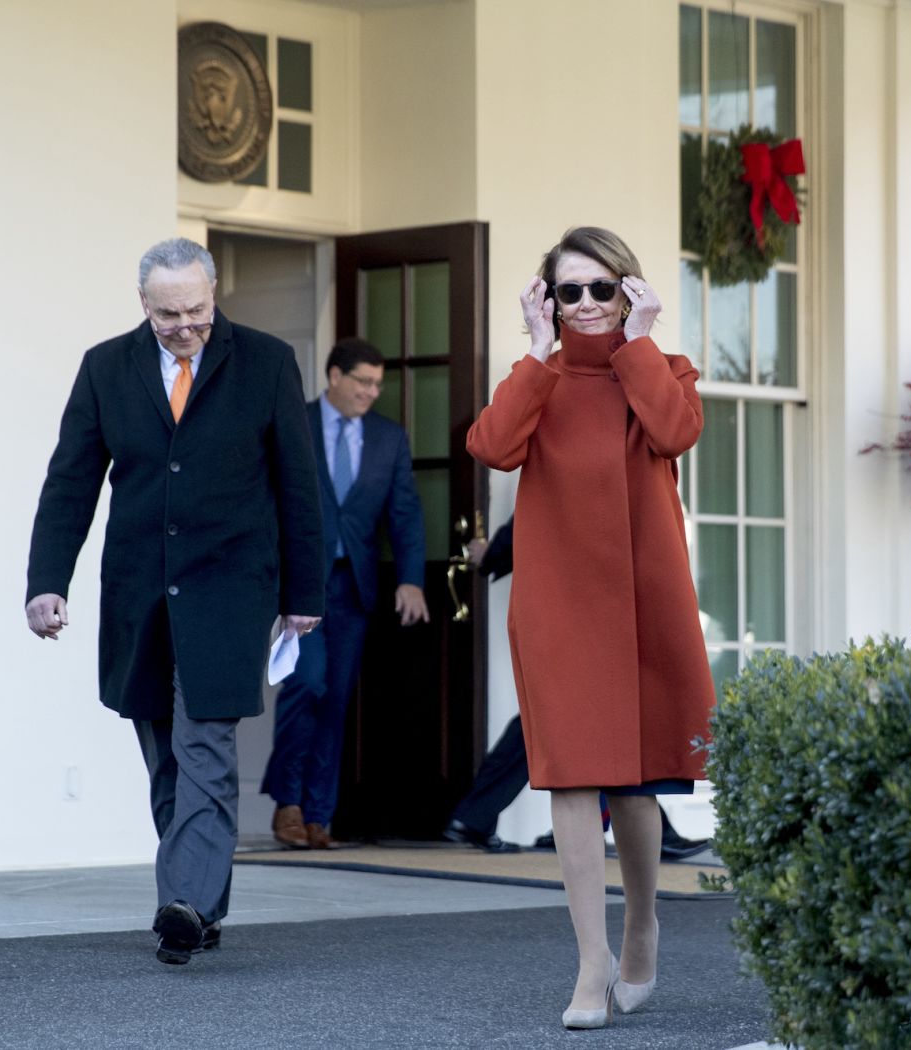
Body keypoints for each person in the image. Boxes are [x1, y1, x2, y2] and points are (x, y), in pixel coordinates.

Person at [25, 238, 324, 966]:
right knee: (163, 753)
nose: (184, 325)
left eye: (195, 310)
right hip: (140, 591)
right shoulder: (105, 367)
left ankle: (184, 903)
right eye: (168, 314)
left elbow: (299, 483)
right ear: (143, 305)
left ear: (213, 295)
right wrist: (46, 582)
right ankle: (200, 903)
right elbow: (71, 481)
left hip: (231, 588)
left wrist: (304, 592)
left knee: (206, 744)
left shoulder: (265, 362)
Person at [466, 227, 715, 1029]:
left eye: (600, 289)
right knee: (570, 776)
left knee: (636, 780)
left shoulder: (662, 370)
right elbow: (493, 446)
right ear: (547, 300)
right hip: (560, 602)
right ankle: (590, 962)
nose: (585, 305)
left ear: (630, 292)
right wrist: (538, 353)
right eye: (567, 291)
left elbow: (675, 433)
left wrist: (638, 345)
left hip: (644, 601)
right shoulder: (534, 378)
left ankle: (641, 923)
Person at [443, 518, 712, 861]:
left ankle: (480, 817)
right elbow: (543, 507)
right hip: (577, 603)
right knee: (581, 717)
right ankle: (619, 830)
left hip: (581, 599)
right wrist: (494, 551)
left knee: (567, 719)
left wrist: (493, 553)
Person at [262, 337, 429, 850]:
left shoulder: (388, 439)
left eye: (378, 384)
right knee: (306, 684)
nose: (371, 392)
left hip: (353, 586)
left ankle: (319, 816)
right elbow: (269, 496)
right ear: (334, 376)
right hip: (300, 583)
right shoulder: (294, 422)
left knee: (334, 699)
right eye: (362, 381)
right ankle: (286, 803)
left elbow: (405, 514)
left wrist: (411, 578)